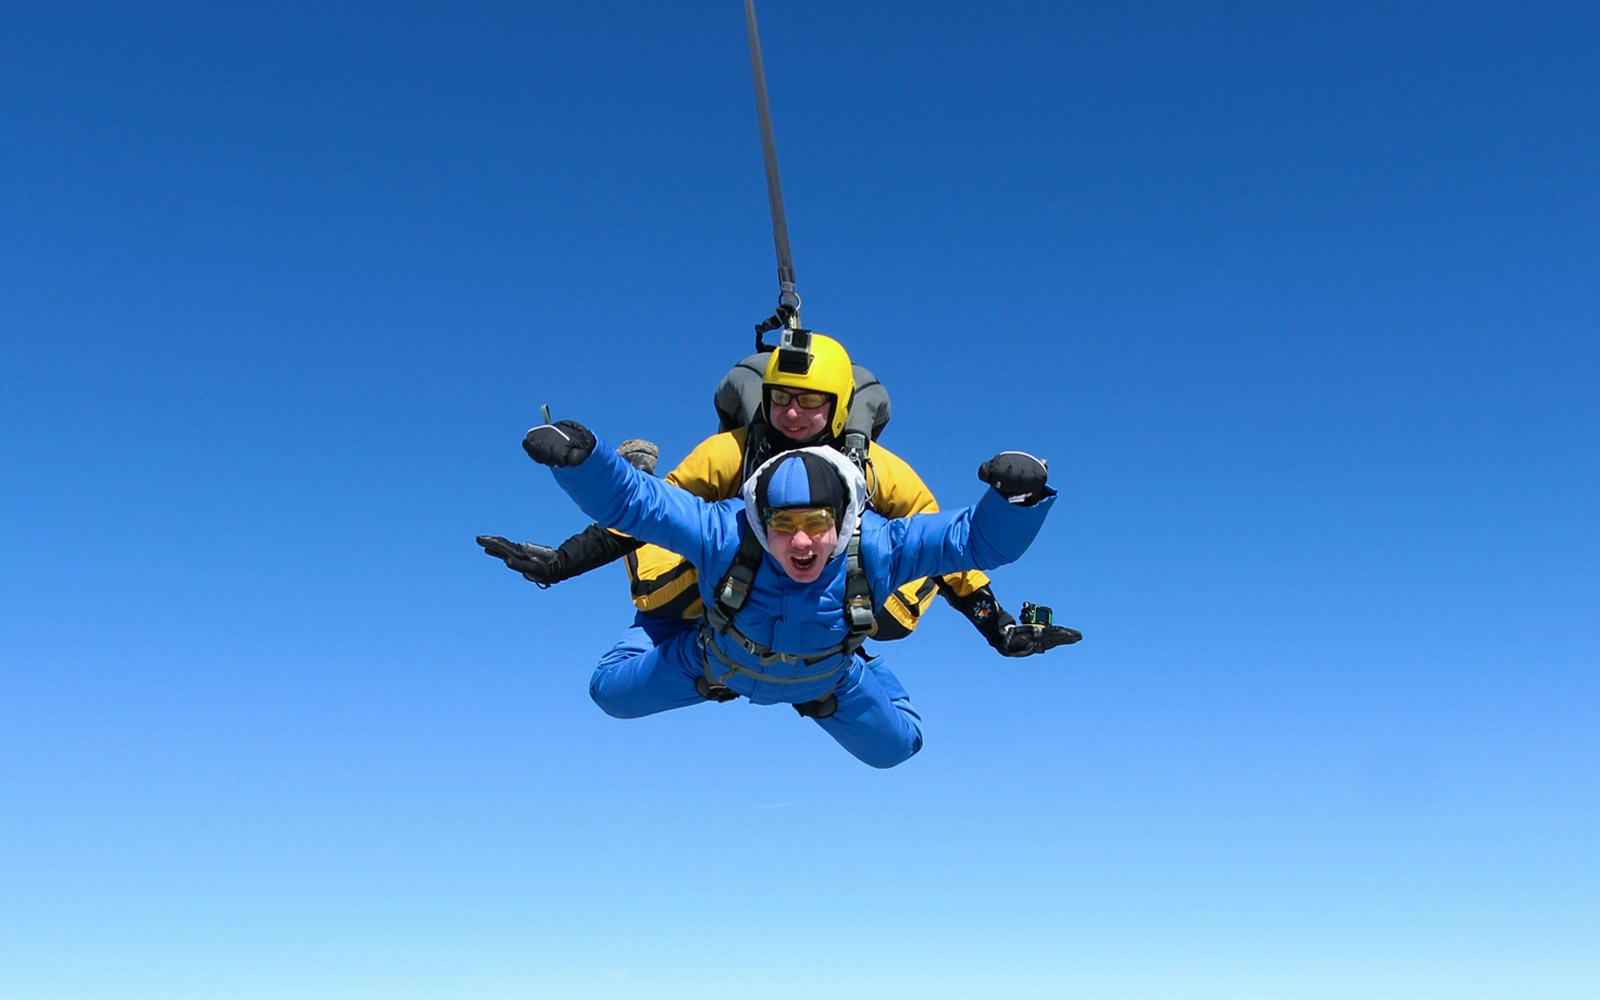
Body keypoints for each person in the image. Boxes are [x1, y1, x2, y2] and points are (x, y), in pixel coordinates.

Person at [479, 333, 1080, 655]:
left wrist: (999, 627)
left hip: (832, 604)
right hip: (734, 587)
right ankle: (630, 466)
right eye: (782, 400)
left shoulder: (874, 470)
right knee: (654, 595)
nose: (794, 416)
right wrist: (561, 562)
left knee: (896, 609)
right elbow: (646, 514)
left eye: (811, 402)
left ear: (839, 405)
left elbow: (947, 548)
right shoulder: (732, 452)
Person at [521, 414, 1057, 767]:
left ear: (843, 518)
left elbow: (972, 543)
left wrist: (1016, 501)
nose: (801, 541)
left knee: (898, 749)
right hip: (713, 664)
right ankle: (659, 627)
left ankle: (863, 664)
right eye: (783, 522)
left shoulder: (878, 547)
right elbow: (642, 506)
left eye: (818, 520)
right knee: (607, 694)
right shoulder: (725, 533)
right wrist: (586, 462)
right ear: (760, 516)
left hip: (826, 680)